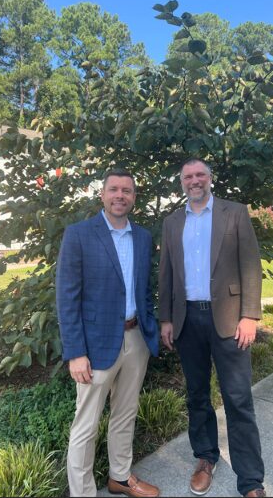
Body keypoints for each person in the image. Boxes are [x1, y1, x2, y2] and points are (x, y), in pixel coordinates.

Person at [159, 158, 266, 498]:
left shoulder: (233, 213)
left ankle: (250, 480)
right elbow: (165, 274)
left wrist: (250, 315)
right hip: (188, 320)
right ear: (182, 182)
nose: (194, 180)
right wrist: (166, 318)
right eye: (188, 176)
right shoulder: (172, 222)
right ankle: (206, 458)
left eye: (200, 174)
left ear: (210, 178)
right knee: (197, 395)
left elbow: (251, 264)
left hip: (231, 320)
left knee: (238, 399)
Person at [56, 169, 160, 498]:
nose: (120, 195)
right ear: (101, 194)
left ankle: (120, 476)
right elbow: (67, 298)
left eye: (127, 190)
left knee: (125, 413)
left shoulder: (142, 237)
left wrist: (149, 330)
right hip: (94, 345)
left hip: (135, 339)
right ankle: (82, 493)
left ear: (133, 197)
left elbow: (144, 290)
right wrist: (75, 352)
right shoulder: (79, 234)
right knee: (85, 425)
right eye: (113, 189)